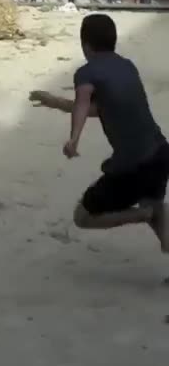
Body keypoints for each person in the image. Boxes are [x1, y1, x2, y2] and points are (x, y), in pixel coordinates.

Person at [29, 14, 169, 253]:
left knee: (82, 217)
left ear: (85, 45)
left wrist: (74, 139)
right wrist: (53, 101)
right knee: (154, 205)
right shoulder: (127, 66)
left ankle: (142, 215)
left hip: (132, 166)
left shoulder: (87, 72)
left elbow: (83, 103)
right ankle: (153, 219)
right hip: (160, 153)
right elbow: (101, 107)